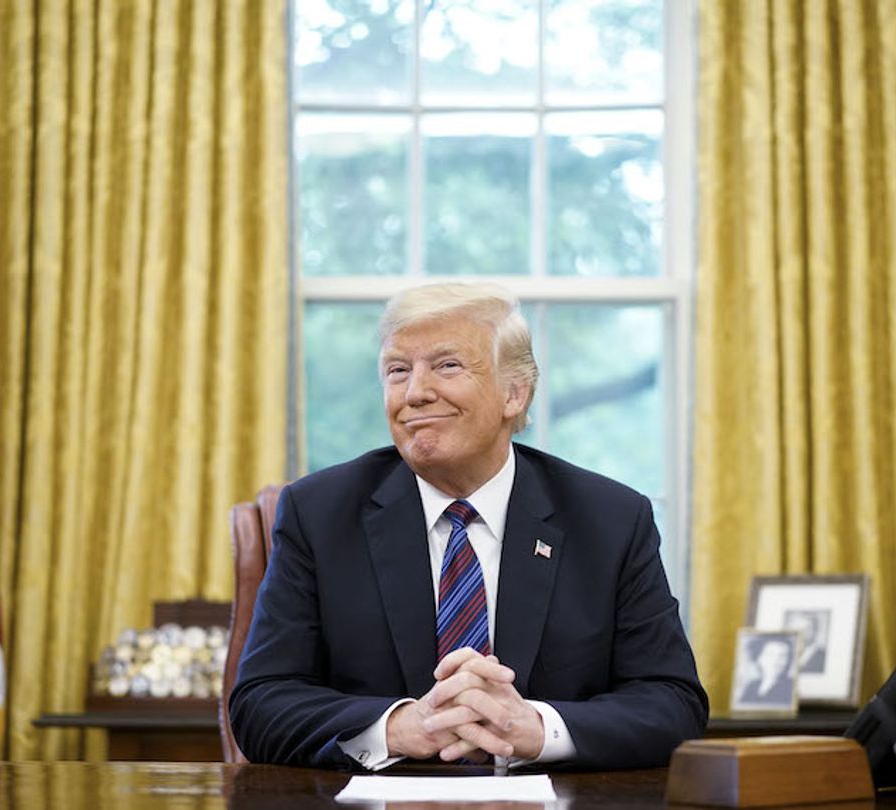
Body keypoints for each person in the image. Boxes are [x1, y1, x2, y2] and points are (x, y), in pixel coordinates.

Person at [229, 282, 708, 770]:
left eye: (447, 366)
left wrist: (536, 729)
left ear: (514, 394)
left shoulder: (610, 520)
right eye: (398, 371)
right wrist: (400, 727)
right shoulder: (319, 514)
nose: (415, 393)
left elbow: (672, 704)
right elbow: (259, 703)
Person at [737, 637, 795, 706]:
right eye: (770, 655)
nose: (775, 661)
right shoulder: (752, 686)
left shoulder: (790, 687)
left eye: (782, 656)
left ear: (789, 661)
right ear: (759, 659)